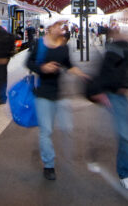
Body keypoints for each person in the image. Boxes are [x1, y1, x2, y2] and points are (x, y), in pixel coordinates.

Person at [27, 18, 88, 180]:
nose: (61, 29)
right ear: (50, 28)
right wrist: (42, 68)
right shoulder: (39, 45)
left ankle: (66, 158)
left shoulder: (64, 47)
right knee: (46, 131)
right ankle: (49, 165)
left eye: (62, 26)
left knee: (67, 127)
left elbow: (68, 64)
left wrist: (80, 73)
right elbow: (28, 62)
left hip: (61, 94)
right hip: (43, 94)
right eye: (58, 26)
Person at [88, 22, 128, 191]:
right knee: (124, 136)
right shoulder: (112, 49)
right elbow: (105, 71)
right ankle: (124, 173)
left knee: (121, 134)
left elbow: (127, 69)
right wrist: (101, 91)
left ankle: (97, 156)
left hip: (121, 96)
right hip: (113, 95)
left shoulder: (123, 47)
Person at [0, 17, 15, 105]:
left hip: (2, 59)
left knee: (1, 78)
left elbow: (3, 44)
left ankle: (3, 97)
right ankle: (0, 95)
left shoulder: (2, 34)